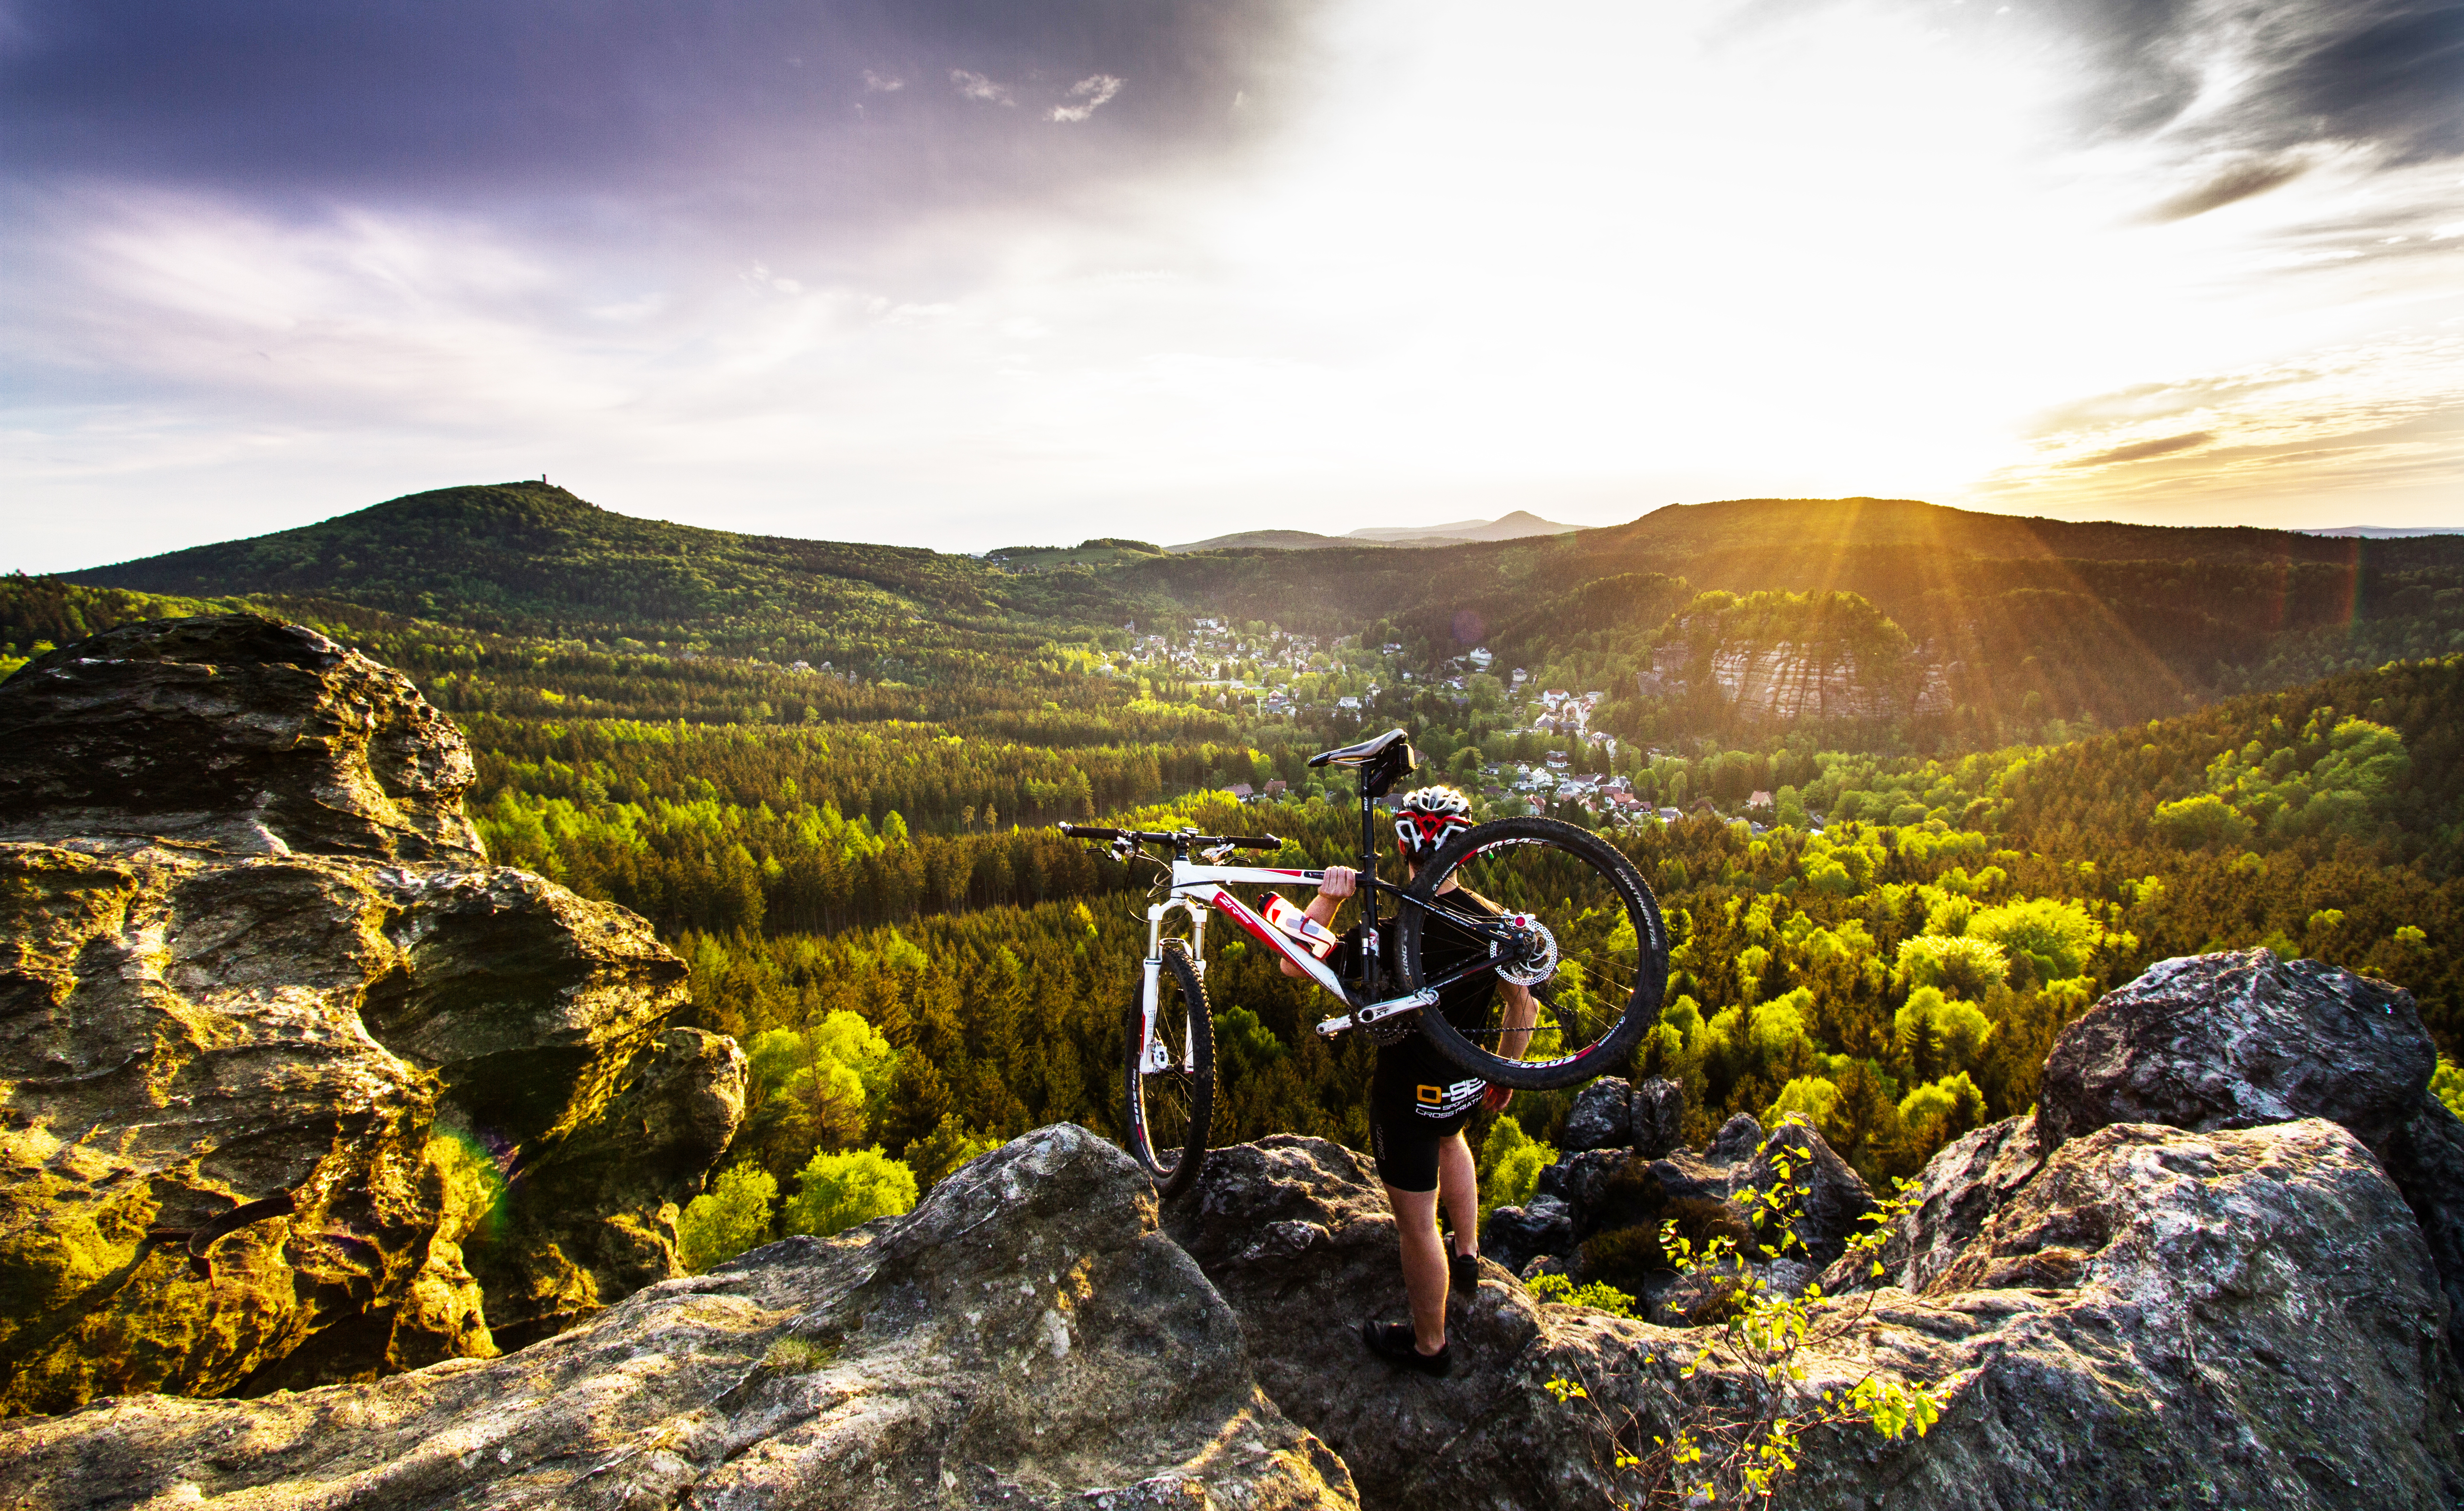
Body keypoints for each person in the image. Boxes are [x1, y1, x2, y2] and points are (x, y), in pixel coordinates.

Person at [1279, 783, 1539, 1376]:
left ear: (1403, 854)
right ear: (1466, 850)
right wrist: (1505, 1070)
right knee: (1456, 1140)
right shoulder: (1490, 923)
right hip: (1467, 1080)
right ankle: (1469, 1254)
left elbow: (1294, 962)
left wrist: (1327, 901)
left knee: (1417, 1229)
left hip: (1407, 1100)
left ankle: (1429, 1346)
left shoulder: (1385, 935)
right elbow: (1522, 1007)